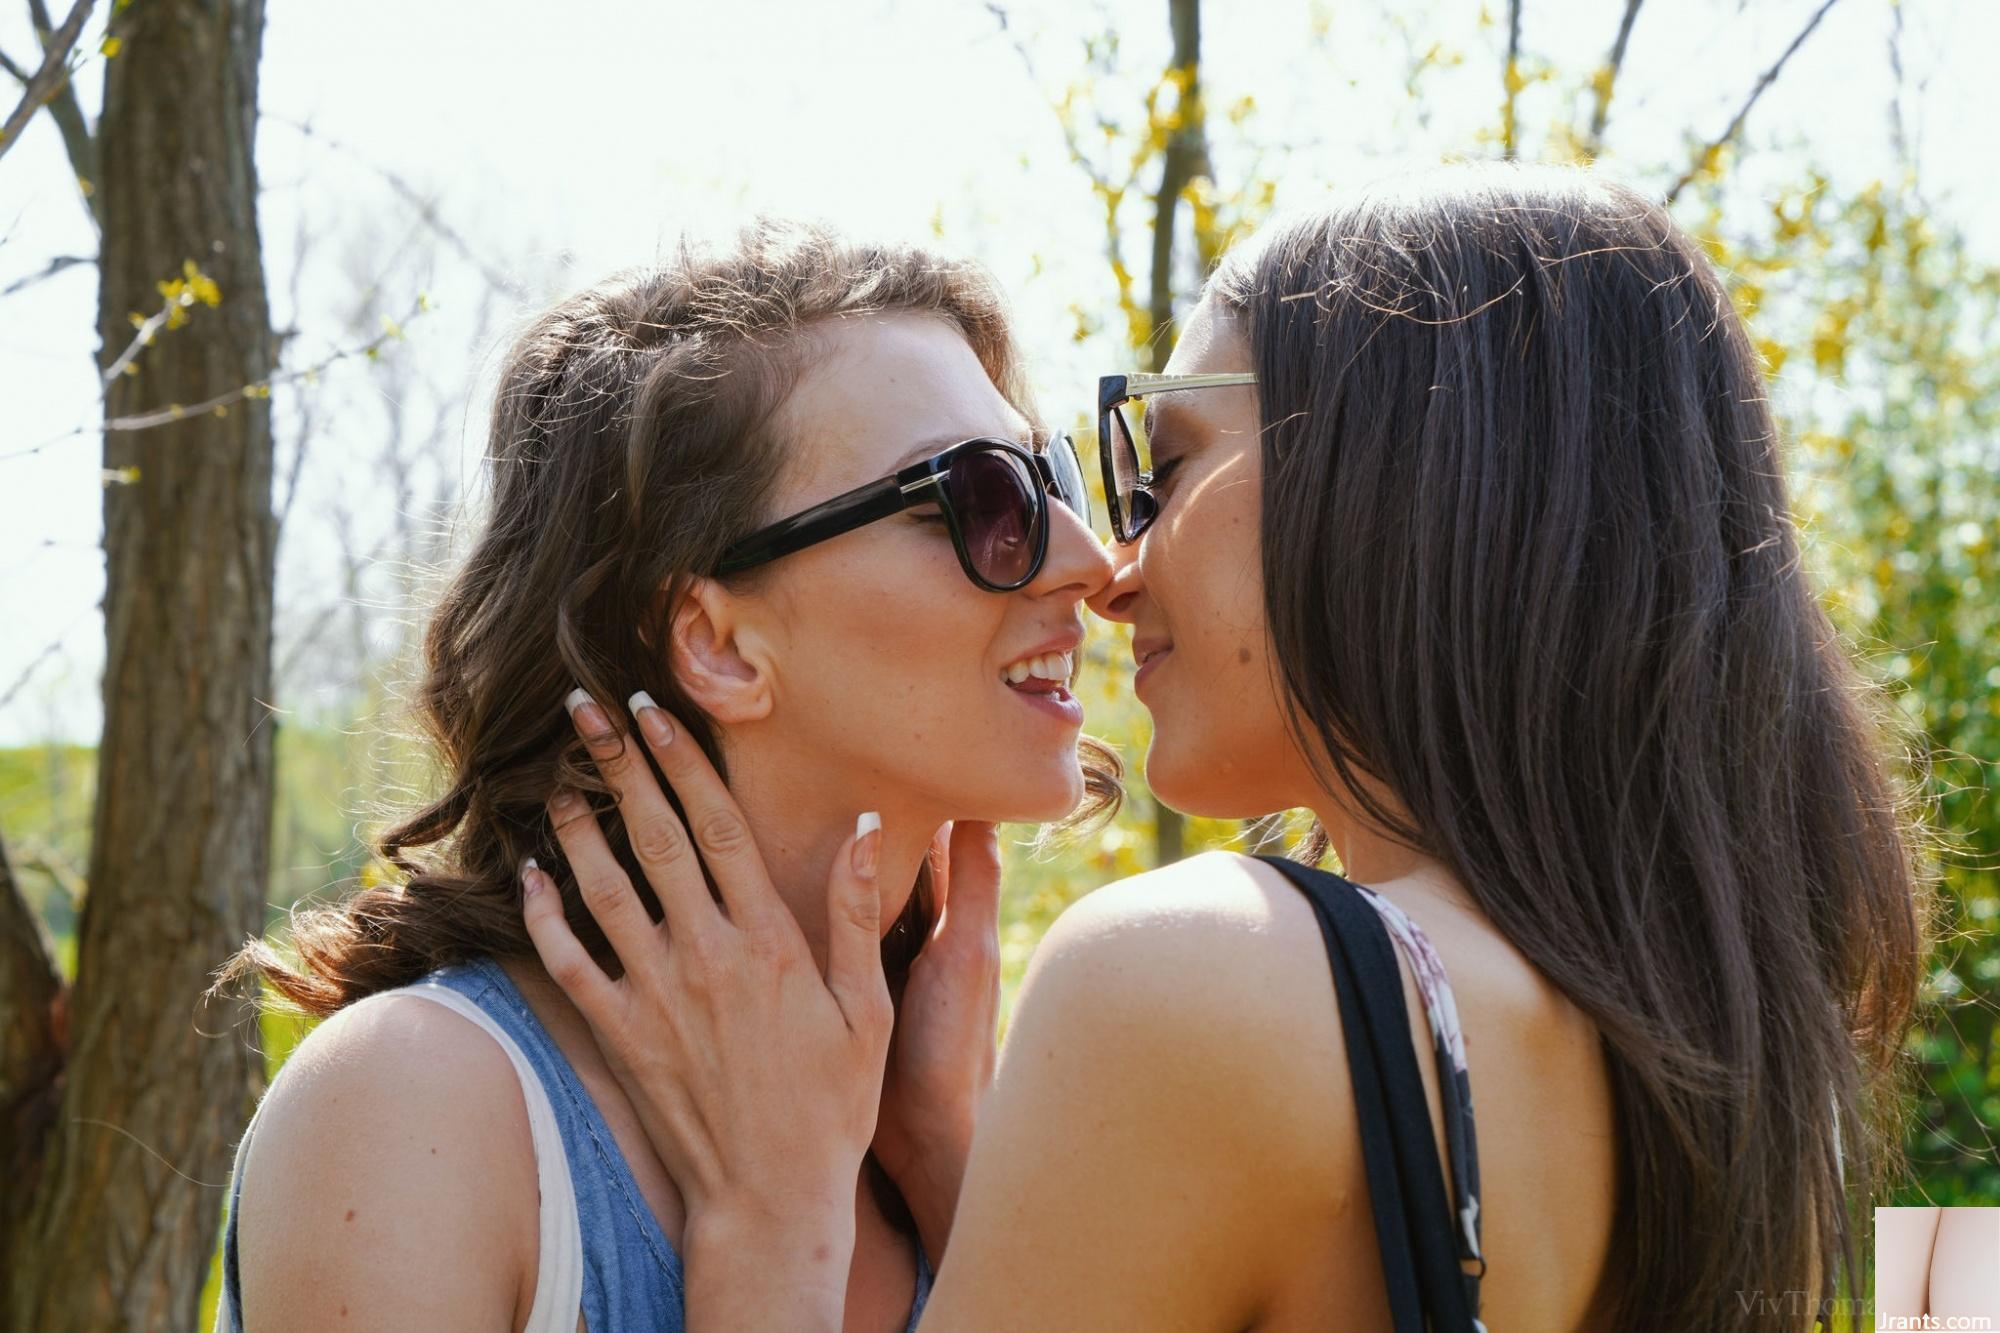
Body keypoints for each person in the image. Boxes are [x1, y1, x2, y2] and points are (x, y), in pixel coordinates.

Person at [523, 163, 1931, 1331]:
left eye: (1167, 461)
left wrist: (770, 1224)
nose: (1111, 568)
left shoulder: (1206, 977)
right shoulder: (1683, 1048)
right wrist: (959, 1158)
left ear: (1400, 481)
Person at [211, 219, 1123, 1331]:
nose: (1087, 559)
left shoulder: (958, 1132)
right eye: (985, 499)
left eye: (1052, 478)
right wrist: (770, 1244)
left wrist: (951, 1174)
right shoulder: (415, 1106)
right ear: (719, 643)